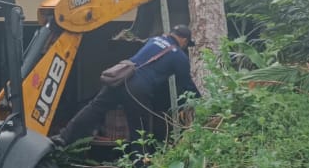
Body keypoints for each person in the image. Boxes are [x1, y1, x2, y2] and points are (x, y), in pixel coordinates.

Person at [52, 25, 200, 151]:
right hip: (138, 88)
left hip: (120, 78)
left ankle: (63, 137)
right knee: (140, 130)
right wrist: (201, 101)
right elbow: (186, 85)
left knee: (94, 109)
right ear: (184, 40)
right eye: (186, 44)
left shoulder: (153, 40)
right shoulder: (179, 56)